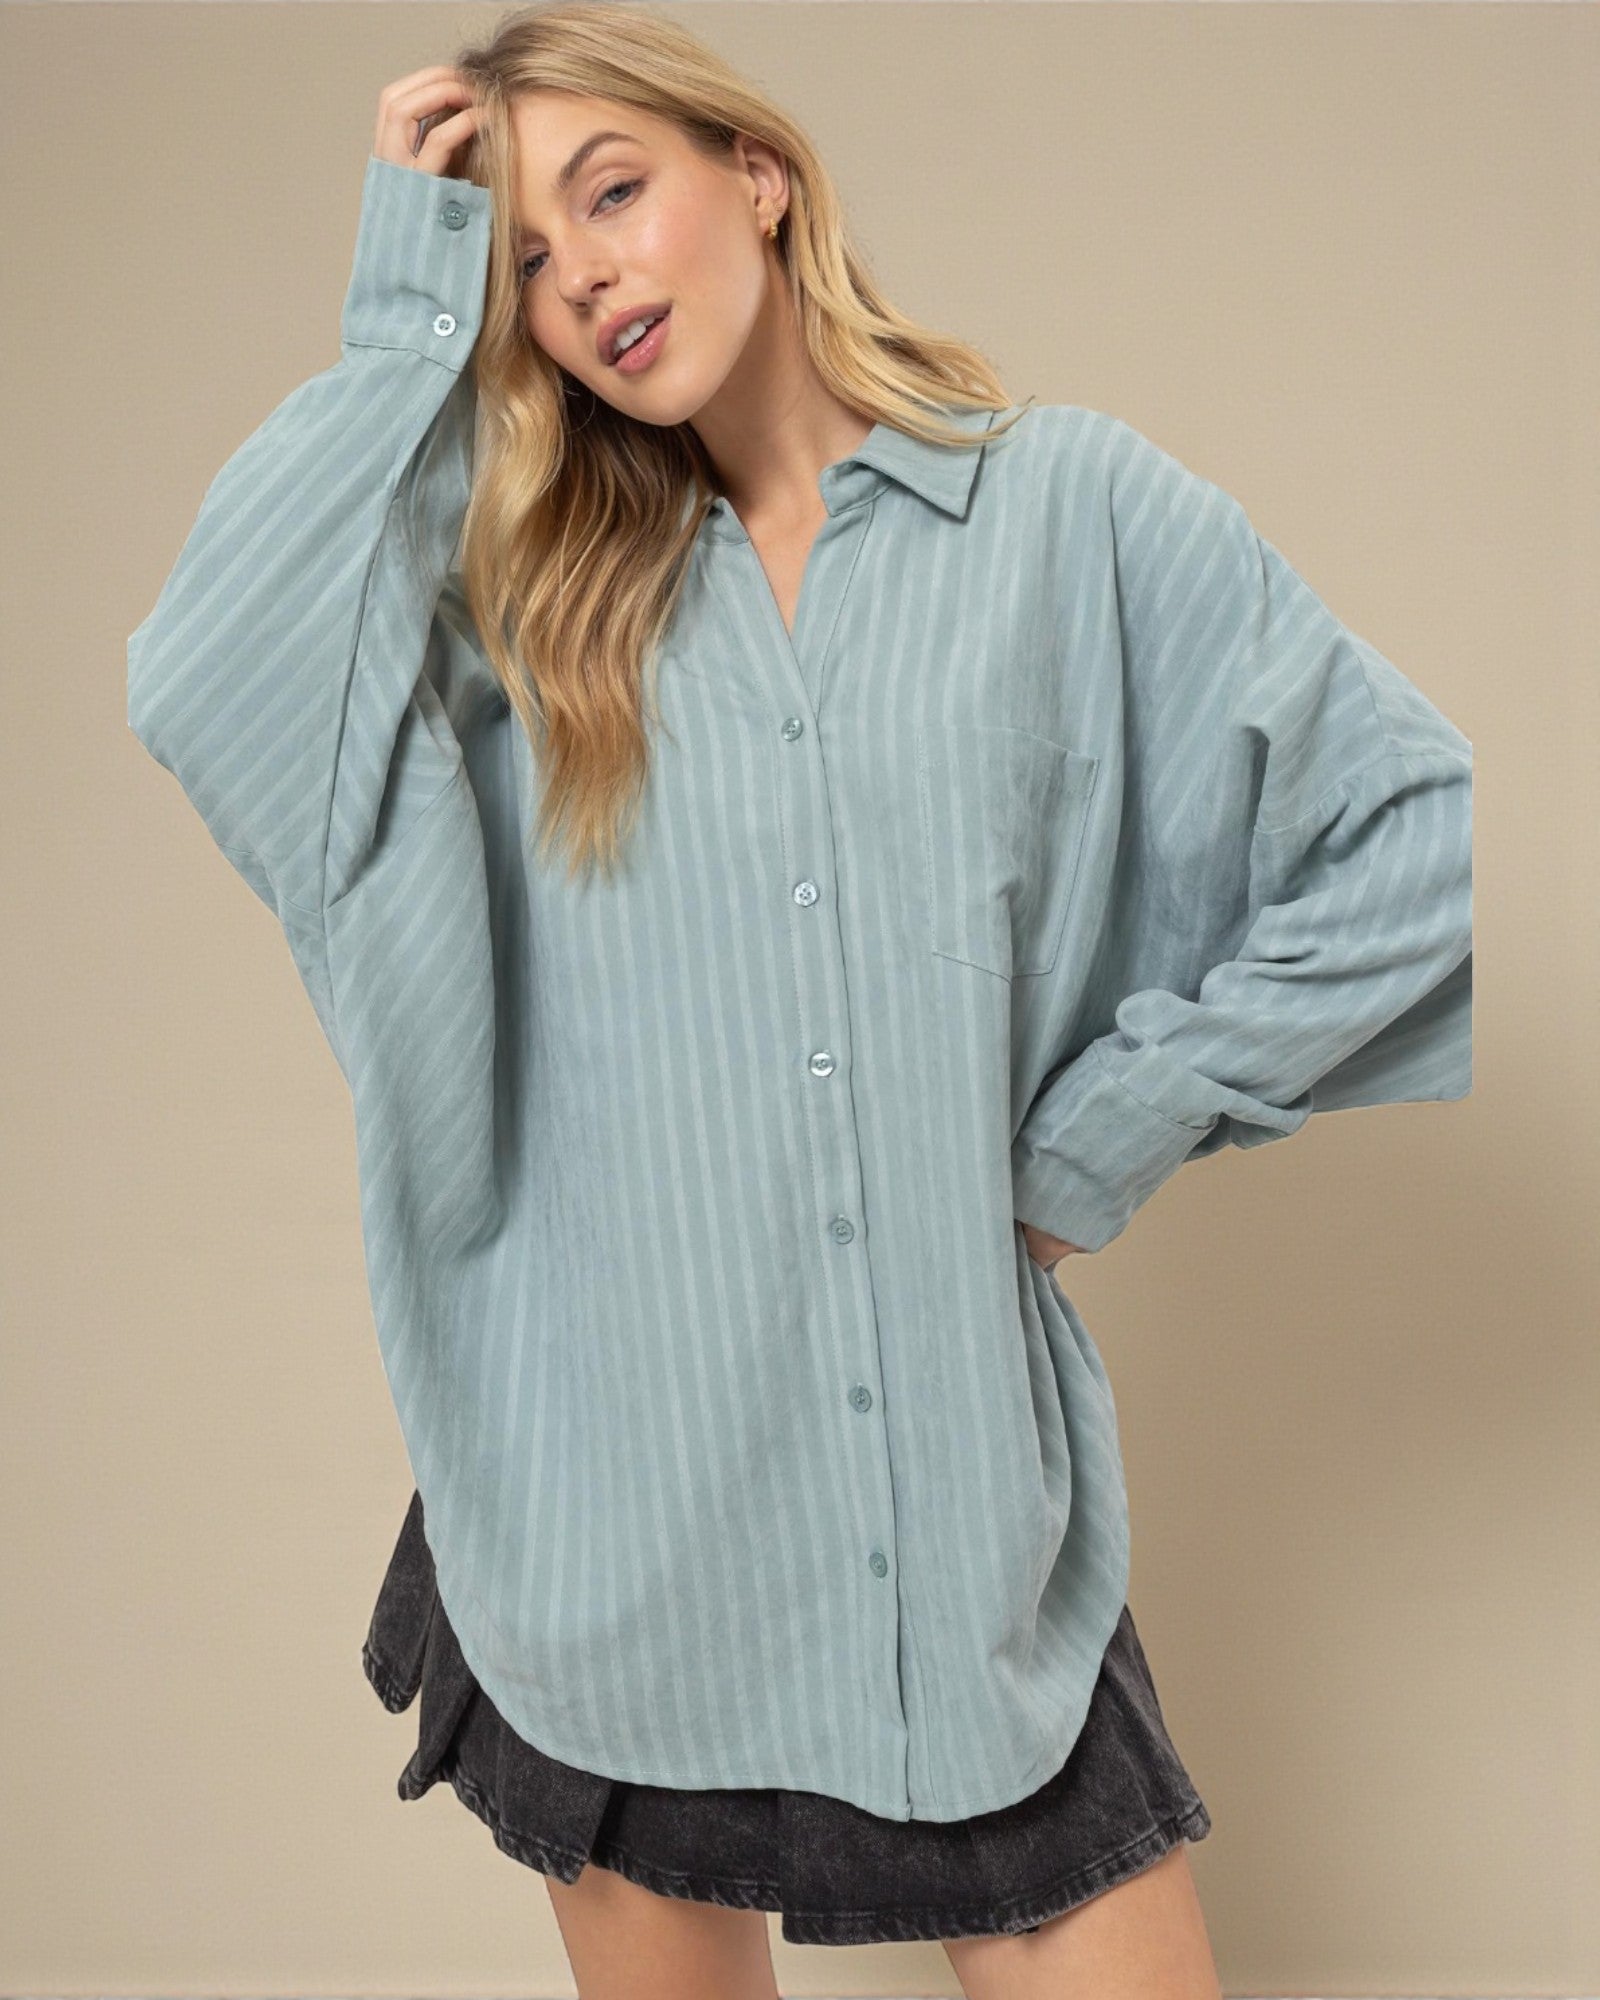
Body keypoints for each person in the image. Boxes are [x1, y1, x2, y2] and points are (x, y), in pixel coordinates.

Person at [126, 5, 1472, 1995]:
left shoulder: (1063, 516)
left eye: (613, 192)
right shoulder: (521, 607)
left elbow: (1417, 842)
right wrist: (408, 315)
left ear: (753, 175)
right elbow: (205, 679)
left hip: (944, 1517)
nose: (583, 275)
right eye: (524, 257)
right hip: (605, 1508)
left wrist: (1097, 1134)